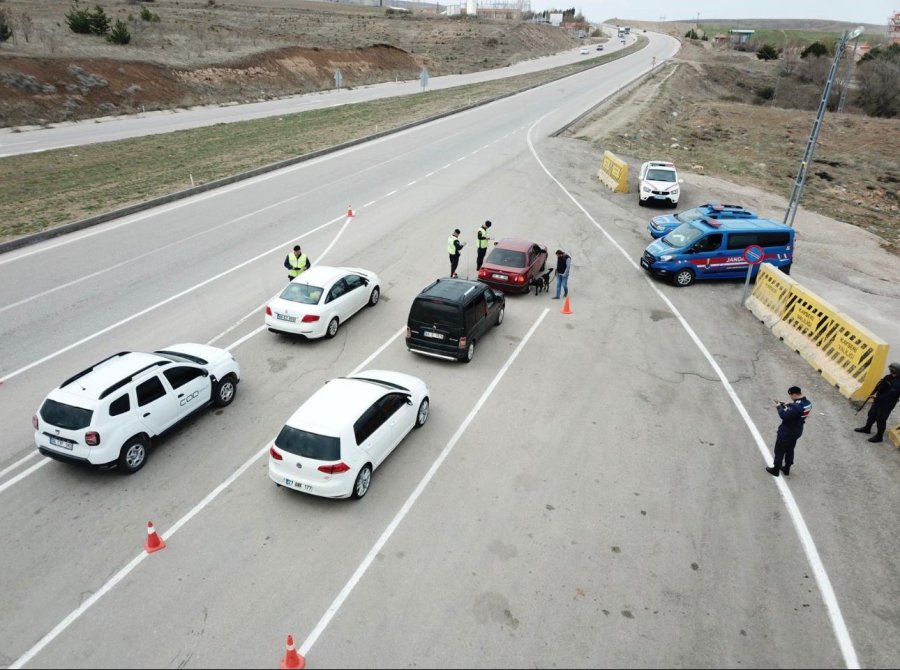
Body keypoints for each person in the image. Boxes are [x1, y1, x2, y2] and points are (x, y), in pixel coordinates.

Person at [766, 386, 812, 477]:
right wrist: (790, 404)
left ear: (794, 394)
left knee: (779, 450)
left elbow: (784, 416)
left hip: (787, 431)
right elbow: (798, 409)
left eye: (790, 395)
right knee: (790, 449)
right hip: (797, 430)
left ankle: (776, 469)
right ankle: (787, 468)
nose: (790, 397)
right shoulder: (807, 403)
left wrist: (779, 407)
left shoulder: (796, 406)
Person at [855, 362, 900, 443]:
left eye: (891, 370)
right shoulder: (889, 377)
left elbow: (890, 395)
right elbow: (880, 385)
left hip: (887, 403)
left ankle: (879, 437)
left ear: (895, 372)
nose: (890, 371)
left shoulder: (898, 383)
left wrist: (876, 397)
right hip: (878, 400)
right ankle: (867, 428)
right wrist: (874, 393)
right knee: (872, 414)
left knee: (881, 419)